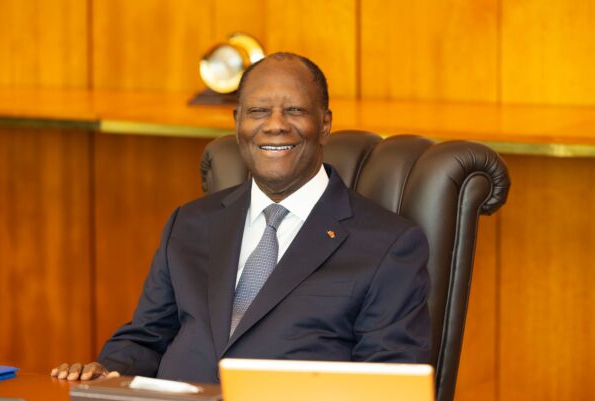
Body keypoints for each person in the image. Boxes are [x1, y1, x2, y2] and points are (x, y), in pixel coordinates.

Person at [51, 52, 431, 382]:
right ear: (238, 124)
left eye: (295, 110)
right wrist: (106, 371)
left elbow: (389, 386)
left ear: (325, 124)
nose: (275, 124)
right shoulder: (189, 224)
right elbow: (146, 339)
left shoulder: (388, 245)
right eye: (258, 111)